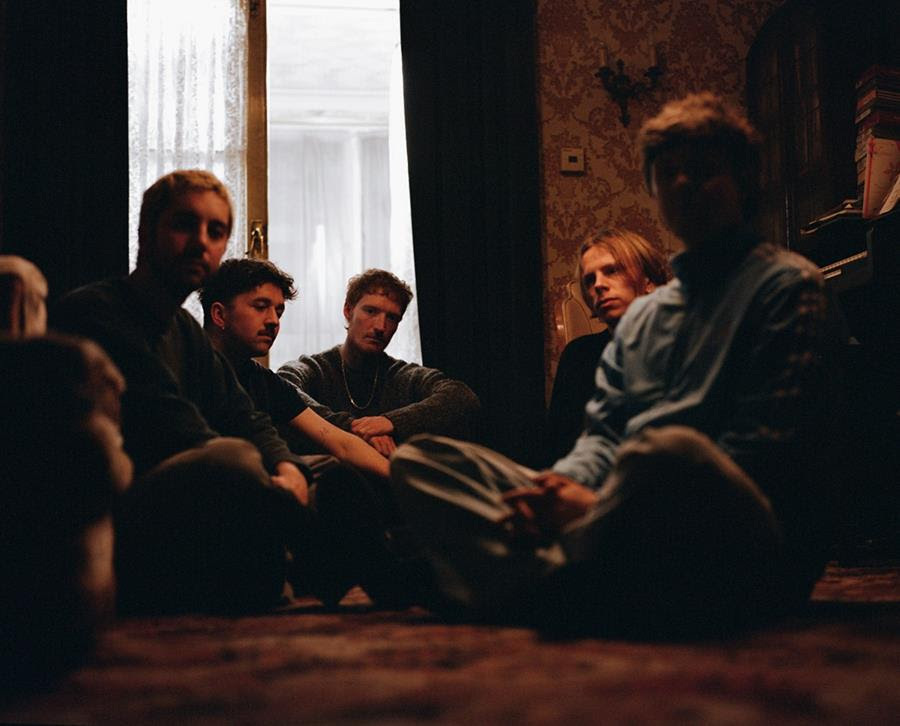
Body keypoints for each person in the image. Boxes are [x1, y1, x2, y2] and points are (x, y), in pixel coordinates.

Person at [389, 93, 838, 636]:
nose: (684, 184)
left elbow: (767, 457)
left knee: (667, 450)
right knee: (422, 460)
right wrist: (556, 490)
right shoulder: (643, 319)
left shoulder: (787, 287)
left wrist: (595, 505)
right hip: (627, 524)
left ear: (743, 181)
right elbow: (601, 438)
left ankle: (526, 581)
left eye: (703, 170)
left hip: (737, 536)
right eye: (668, 174)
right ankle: (570, 585)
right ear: (654, 193)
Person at [52, 170, 394, 613]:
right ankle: (311, 576)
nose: (201, 242)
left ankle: (382, 579)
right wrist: (268, 473)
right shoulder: (99, 310)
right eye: (184, 224)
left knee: (328, 473)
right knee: (233, 460)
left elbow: (242, 413)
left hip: (203, 484)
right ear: (146, 230)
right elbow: (171, 422)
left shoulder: (183, 330)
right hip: (130, 494)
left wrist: (287, 465)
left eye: (215, 232)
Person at [200, 258, 390, 481]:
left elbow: (340, 442)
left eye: (279, 312)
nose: (273, 321)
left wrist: (402, 478)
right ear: (219, 315)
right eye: (260, 307)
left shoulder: (263, 381)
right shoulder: (187, 364)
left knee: (337, 470)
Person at [278, 269, 481, 457]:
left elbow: (462, 397)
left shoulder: (403, 375)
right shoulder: (317, 369)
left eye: (392, 318)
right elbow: (283, 386)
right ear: (348, 311)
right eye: (371, 311)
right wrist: (354, 429)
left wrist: (391, 422)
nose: (381, 327)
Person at [545, 229, 670, 464]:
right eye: (590, 280)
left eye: (612, 271)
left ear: (648, 281)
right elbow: (557, 447)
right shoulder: (578, 355)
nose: (599, 285)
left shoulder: (680, 344)